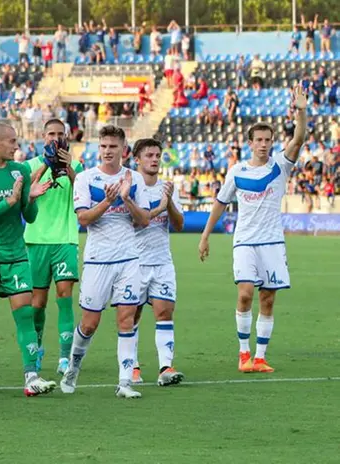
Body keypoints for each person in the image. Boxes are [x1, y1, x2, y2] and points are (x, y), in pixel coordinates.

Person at [199, 86, 307, 374]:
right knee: (245, 294)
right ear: (250, 143)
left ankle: (259, 357)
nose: (263, 144)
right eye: (258, 140)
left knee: (268, 298)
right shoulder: (237, 171)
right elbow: (220, 203)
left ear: (272, 142)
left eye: (268, 140)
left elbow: (299, 139)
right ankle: (243, 353)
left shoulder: (280, 167)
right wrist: (205, 235)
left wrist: (300, 111)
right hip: (245, 241)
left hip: (272, 242)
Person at [0, 121, 57, 397]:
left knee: (25, 314)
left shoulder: (21, 171)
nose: (17, 146)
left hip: (15, 254)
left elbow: (30, 217)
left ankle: (31, 376)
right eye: (12, 141)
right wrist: (10, 202)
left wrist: (30, 198)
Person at [60, 125, 150, 399]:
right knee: (89, 324)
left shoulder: (135, 179)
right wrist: (109, 202)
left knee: (126, 319)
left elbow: (144, 220)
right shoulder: (86, 178)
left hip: (129, 259)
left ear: (123, 149)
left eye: (113, 146)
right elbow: (84, 219)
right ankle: (73, 366)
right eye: (103, 146)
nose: (108, 151)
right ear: (98, 149)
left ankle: (125, 382)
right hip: (98, 260)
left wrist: (126, 199)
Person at [23, 119, 83, 376]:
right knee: (37, 302)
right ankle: (36, 350)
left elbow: (82, 190)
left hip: (65, 239)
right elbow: (23, 193)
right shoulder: (30, 165)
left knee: (64, 296)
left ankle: (64, 356)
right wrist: (46, 165)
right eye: (51, 134)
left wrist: (67, 166)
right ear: (43, 136)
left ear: (67, 137)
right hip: (36, 240)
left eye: (60, 134)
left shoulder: (76, 165)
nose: (55, 138)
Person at [131, 138, 185, 386]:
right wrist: (159, 207)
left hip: (162, 261)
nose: (154, 159)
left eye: (157, 155)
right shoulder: (130, 187)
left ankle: (165, 367)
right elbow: (135, 222)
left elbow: (179, 224)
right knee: (131, 315)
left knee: (164, 312)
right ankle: (132, 366)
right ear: (137, 159)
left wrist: (169, 201)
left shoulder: (167, 188)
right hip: (134, 262)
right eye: (149, 155)